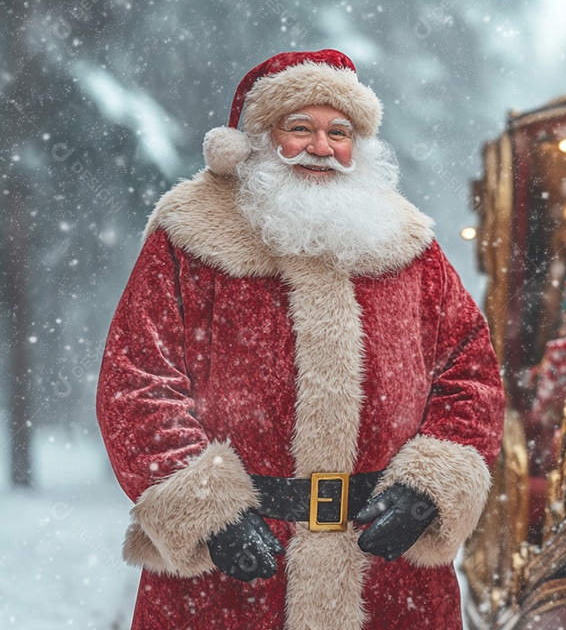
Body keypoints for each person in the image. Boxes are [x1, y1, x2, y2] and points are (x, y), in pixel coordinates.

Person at [97, 49, 504, 630]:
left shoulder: (408, 246)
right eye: (300, 128)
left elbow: (469, 375)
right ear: (258, 140)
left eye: (340, 132)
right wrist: (210, 512)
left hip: (384, 564)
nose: (322, 146)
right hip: (235, 566)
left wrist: (430, 488)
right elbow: (137, 381)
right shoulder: (190, 239)